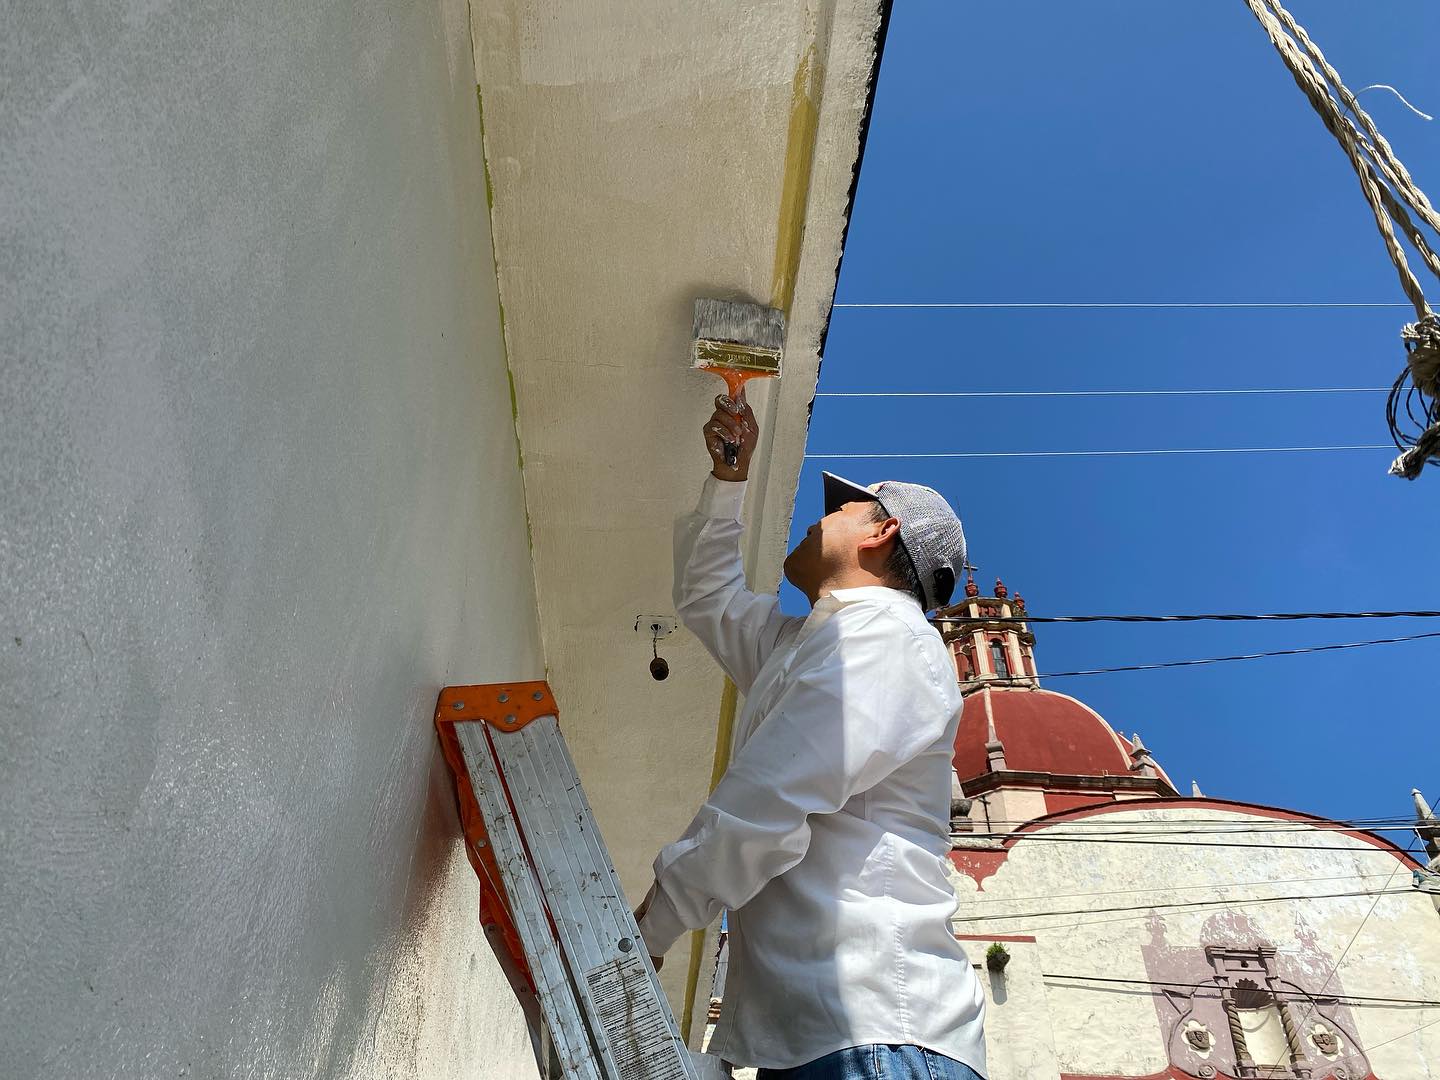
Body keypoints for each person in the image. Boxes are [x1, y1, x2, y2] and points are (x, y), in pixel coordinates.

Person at [635, 393, 986, 1080]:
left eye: (838, 512)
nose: (812, 523)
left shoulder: (885, 637)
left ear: (881, 536)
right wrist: (728, 479)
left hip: (872, 1033)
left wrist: (651, 928)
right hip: (825, 1036)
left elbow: (774, 797)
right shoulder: (811, 644)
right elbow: (709, 599)